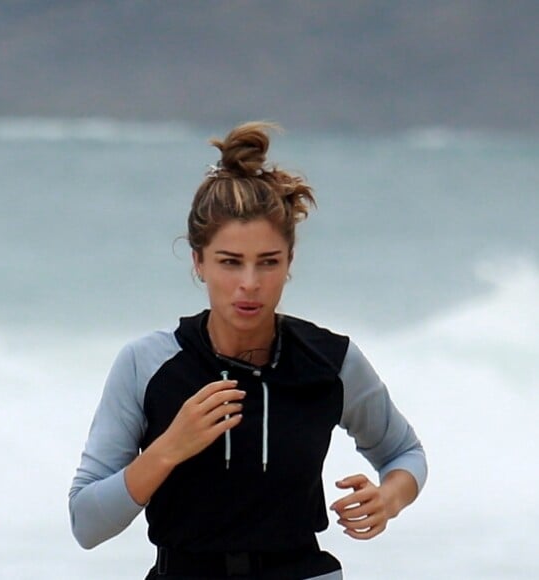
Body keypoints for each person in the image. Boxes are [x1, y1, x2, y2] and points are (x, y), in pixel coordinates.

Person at [69, 121, 427, 579]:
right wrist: (167, 449)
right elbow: (86, 523)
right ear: (198, 262)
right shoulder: (147, 364)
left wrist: (388, 498)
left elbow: (404, 453)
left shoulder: (331, 362)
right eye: (230, 262)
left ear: (290, 262)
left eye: (269, 262)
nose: (250, 284)